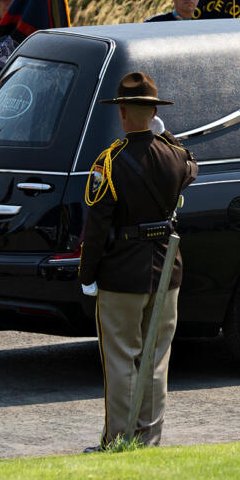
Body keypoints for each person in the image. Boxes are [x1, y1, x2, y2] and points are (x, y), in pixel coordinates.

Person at [79, 72, 198, 449]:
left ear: (124, 113)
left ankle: (118, 438)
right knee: (155, 359)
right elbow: (191, 165)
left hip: (122, 271)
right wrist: (166, 136)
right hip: (165, 269)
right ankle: (149, 438)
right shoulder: (174, 155)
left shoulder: (110, 162)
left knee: (120, 358)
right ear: (153, 113)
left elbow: (96, 226)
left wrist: (88, 273)